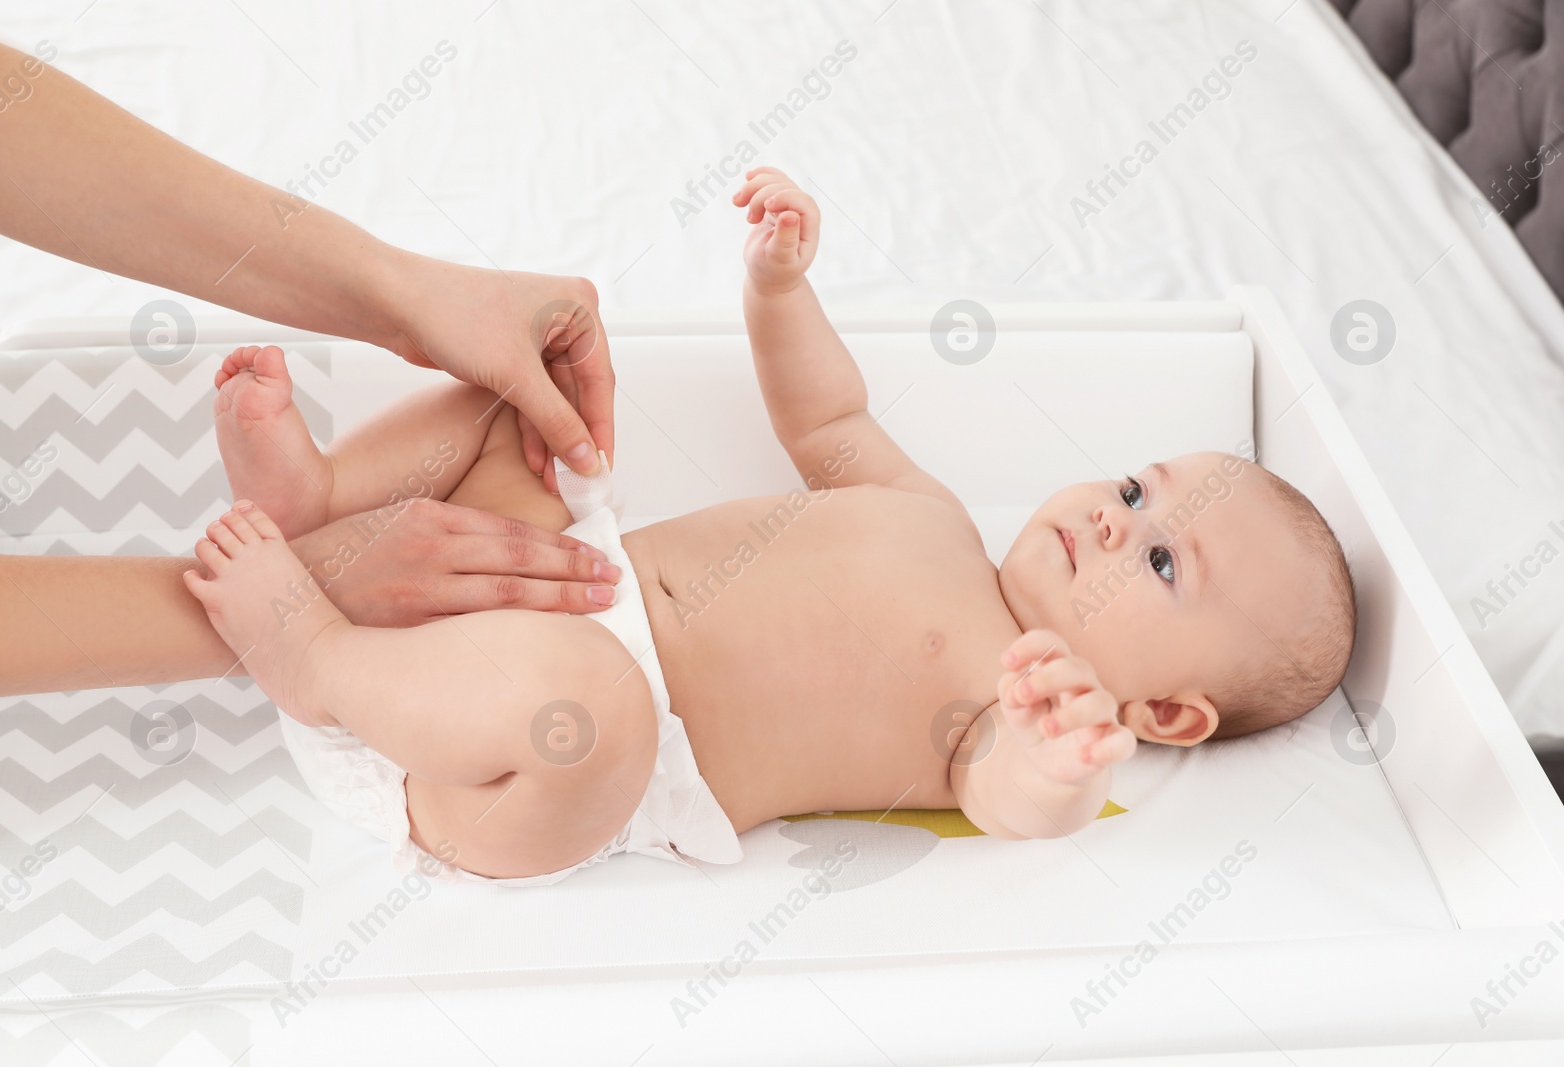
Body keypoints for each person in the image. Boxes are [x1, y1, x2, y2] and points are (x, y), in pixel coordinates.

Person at [176, 167, 1358, 884]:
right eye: (1135, 490)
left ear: (1160, 713)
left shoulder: (1004, 710)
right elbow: (828, 414)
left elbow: (1011, 801)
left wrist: (1059, 762)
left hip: (519, 754)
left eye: (1158, 558)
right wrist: (780, 289)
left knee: (599, 714)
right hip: (536, 579)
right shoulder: (932, 514)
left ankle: (315, 661)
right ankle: (326, 505)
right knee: (525, 408)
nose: (1111, 520)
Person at [0, 26, 621, 699]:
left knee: (515, 409)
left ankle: (321, 494)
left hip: (554, 679)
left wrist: (403, 294)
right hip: (546, 706)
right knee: (598, 735)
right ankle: (320, 529)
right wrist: (301, 607)